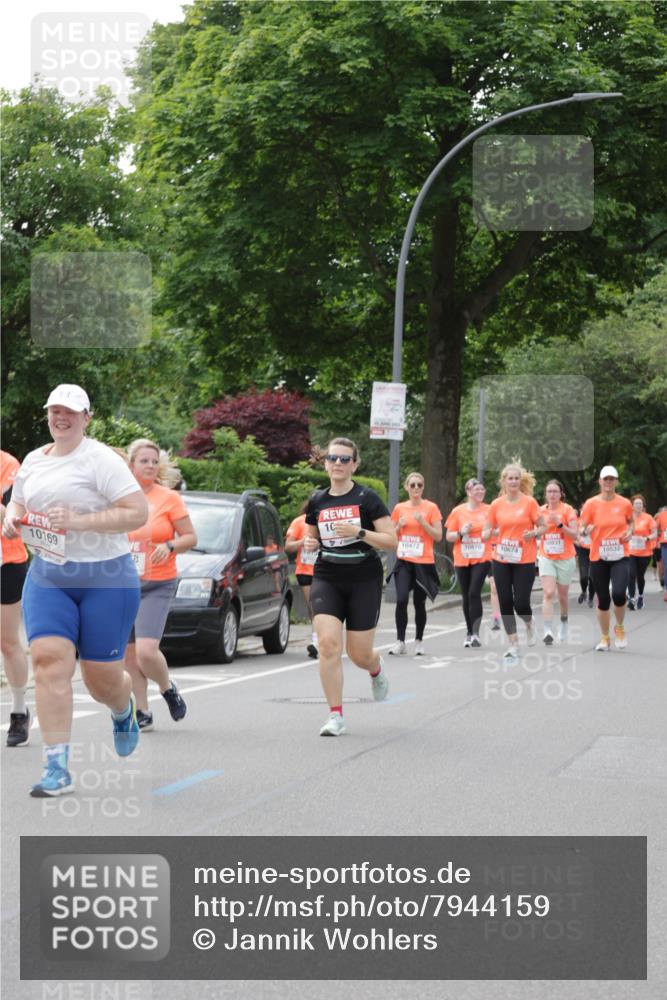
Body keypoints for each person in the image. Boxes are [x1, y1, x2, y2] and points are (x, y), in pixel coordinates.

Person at [2, 384, 147, 796]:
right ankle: (56, 767)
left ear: (86, 418)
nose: (61, 418)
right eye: (55, 411)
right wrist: (13, 518)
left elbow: (137, 513)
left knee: (101, 681)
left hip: (106, 578)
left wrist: (79, 521)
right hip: (49, 576)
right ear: (47, 414)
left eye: (70, 411)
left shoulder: (101, 460)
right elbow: (19, 501)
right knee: (48, 663)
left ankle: (122, 708)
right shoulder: (34, 460)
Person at [304, 439, 396, 736]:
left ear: (354, 464)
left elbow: (391, 540)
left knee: (358, 653)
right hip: (327, 575)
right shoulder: (317, 500)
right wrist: (310, 543)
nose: (338, 464)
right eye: (333, 458)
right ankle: (335, 715)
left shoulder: (367, 498)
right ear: (325, 463)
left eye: (345, 459)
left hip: (363, 578)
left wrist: (359, 532)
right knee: (328, 644)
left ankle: (375, 667)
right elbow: (311, 537)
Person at [125, 439, 197, 731]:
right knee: (129, 655)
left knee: (146, 651)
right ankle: (142, 711)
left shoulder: (169, 498)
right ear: (132, 465)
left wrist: (169, 546)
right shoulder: (119, 497)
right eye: (144, 461)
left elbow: (190, 537)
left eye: (155, 462)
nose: (151, 466)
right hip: (122, 584)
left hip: (158, 582)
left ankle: (167, 687)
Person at [482, 459, 545, 664]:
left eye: (517, 478)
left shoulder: (529, 502)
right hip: (501, 558)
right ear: (504, 481)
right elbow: (486, 531)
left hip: (524, 559)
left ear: (521, 481)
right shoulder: (496, 505)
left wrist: (533, 533)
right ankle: (513, 644)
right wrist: (488, 533)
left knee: (521, 603)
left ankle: (529, 622)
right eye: (510, 478)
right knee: (505, 601)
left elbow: (543, 527)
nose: (514, 481)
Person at [580, 465, 634, 651]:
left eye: (612, 479)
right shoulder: (591, 504)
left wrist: (630, 531)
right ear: (600, 481)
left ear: (616, 481)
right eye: (606, 479)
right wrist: (585, 530)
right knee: (603, 599)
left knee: (618, 594)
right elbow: (582, 527)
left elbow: (631, 523)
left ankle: (619, 628)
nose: (609, 482)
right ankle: (604, 638)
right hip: (598, 556)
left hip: (620, 555)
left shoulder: (625, 503)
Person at [389, 472, 442, 655]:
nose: (416, 488)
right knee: (401, 599)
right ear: (406, 487)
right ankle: (400, 642)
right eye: (412, 485)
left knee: (419, 603)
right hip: (404, 561)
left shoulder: (431, 508)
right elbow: (390, 536)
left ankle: (418, 641)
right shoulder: (399, 508)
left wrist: (423, 523)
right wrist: (398, 526)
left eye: (419, 485)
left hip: (423, 562)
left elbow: (438, 536)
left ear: (423, 487)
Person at [1, 450, 31, 747]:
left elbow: (13, 516)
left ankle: (19, 710)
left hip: (6, 562)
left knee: (8, 642)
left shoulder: (8, 464)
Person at [445, 478, 492, 648]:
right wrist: (461, 532)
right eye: (476, 489)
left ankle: (476, 634)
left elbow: (496, 530)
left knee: (474, 592)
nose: (480, 492)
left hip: (482, 556)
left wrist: (491, 532)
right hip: (462, 557)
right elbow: (448, 536)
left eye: (482, 489)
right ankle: (469, 631)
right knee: (466, 595)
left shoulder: (489, 510)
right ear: (468, 492)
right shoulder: (458, 511)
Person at [537, 480, 578, 644]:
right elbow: (536, 530)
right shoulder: (540, 511)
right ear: (546, 494)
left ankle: (564, 622)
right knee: (548, 593)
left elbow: (574, 535)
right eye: (549, 491)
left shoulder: (568, 510)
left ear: (561, 494)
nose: (552, 494)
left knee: (562, 596)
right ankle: (547, 630)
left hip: (565, 558)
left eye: (555, 491)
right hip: (546, 556)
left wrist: (560, 524)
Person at [285, 505, 318, 658]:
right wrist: (302, 542)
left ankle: (317, 641)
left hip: (326, 571)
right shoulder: (299, 522)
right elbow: (288, 546)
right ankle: (317, 640)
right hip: (305, 570)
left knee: (320, 607)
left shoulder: (328, 520)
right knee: (313, 606)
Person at [626, 495, 656, 610]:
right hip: (631, 551)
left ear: (643, 506)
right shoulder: (628, 518)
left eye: (640, 504)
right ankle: (631, 598)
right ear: (632, 506)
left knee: (640, 576)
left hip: (644, 552)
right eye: (636, 503)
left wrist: (647, 538)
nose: (638, 505)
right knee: (631, 574)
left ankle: (641, 596)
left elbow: (654, 533)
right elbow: (623, 530)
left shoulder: (648, 518)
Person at [575, 510, 595, 608]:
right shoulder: (577, 522)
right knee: (584, 576)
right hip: (582, 551)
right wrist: (576, 542)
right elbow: (572, 535)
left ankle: (591, 597)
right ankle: (584, 591)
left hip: (594, 551)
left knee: (592, 577)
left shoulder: (595, 522)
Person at [654, 505, 667, 601]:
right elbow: (655, 528)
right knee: (666, 566)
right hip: (665, 544)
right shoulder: (661, 515)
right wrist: (657, 540)